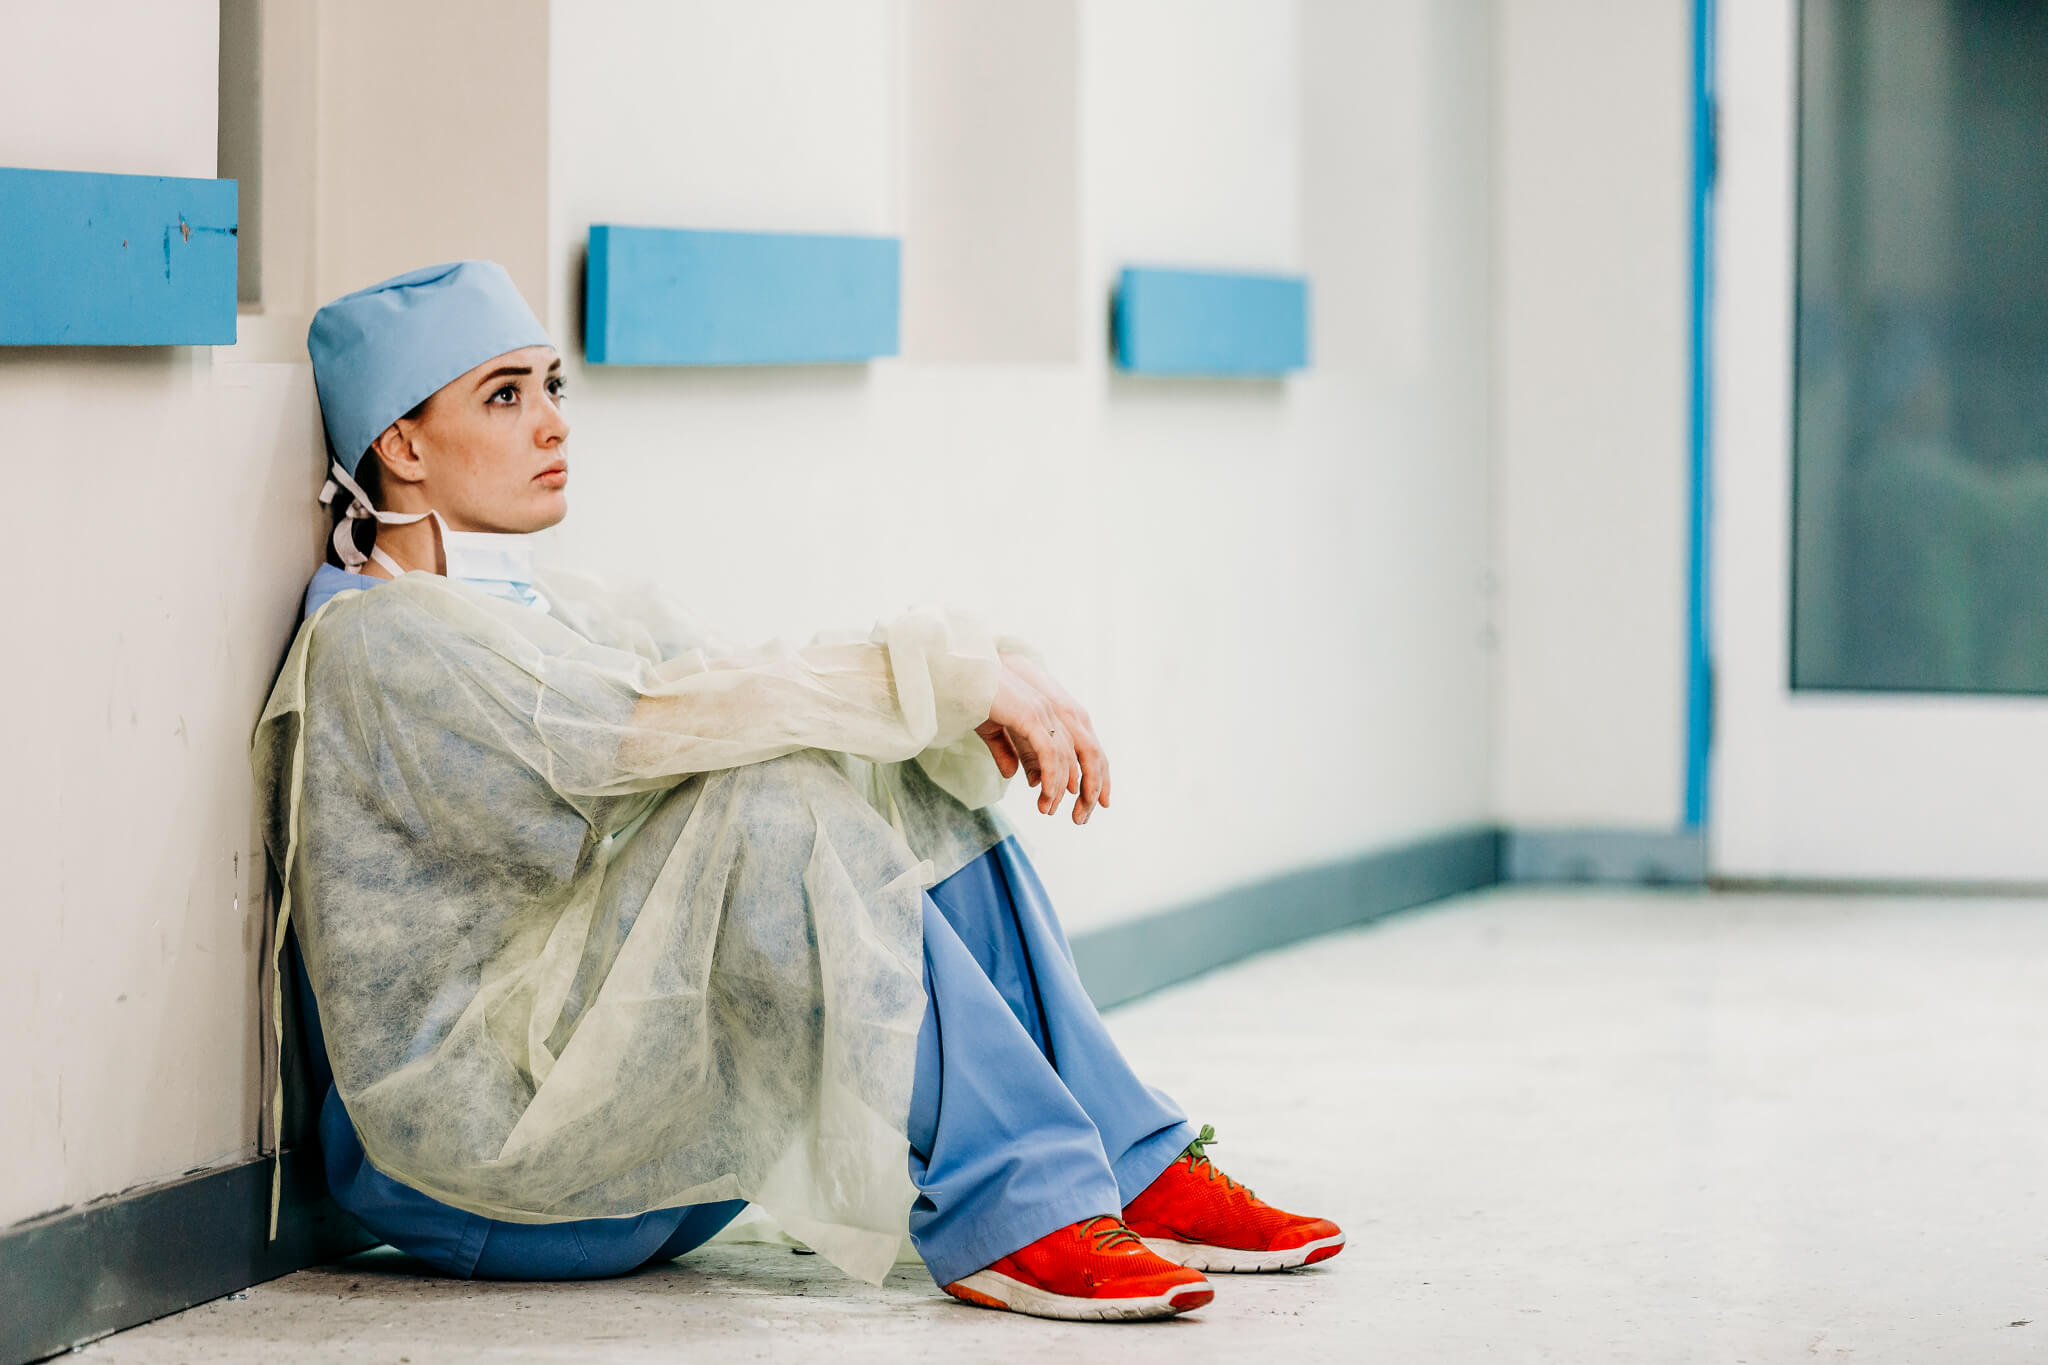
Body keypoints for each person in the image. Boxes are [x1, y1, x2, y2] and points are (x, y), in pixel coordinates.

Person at [255, 260, 1343, 1324]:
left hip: (636, 1147)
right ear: (398, 443)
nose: (552, 423)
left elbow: (745, 681)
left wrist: (961, 680)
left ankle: (1121, 1160)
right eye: (504, 395)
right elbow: (641, 730)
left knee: (884, 763)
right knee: (776, 797)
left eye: (553, 387)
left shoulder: (547, 606)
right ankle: (1019, 1205)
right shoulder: (379, 641)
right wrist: (940, 673)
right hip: (482, 1177)